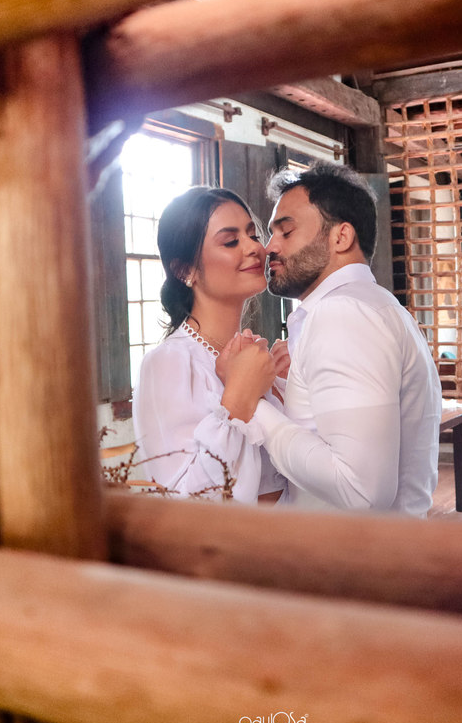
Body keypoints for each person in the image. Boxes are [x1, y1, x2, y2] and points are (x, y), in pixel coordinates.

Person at [226, 162, 442, 516]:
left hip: (355, 550)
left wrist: (252, 404)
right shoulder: (375, 305)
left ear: (341, 237)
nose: (269, 247)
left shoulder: (344, 313)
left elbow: (361, 490)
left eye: (286, 231)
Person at [131, 187, 285, 502]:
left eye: (253, 235)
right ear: (185, 270)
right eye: (230, 241)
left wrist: (285, 389)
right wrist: (238, 398)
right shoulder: (169, 363)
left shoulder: (255, 357)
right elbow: (186, 503)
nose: (255, 248)